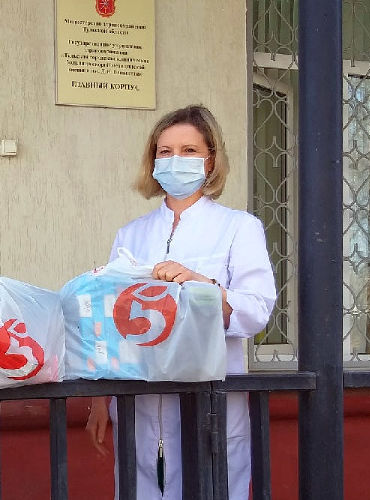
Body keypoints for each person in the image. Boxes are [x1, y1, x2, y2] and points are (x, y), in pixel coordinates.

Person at [85, 105, 277, 499]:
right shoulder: (131, 235)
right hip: (138, 403)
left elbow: (256, 310)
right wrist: (100, 401)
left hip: (208, 402)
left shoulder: (238, 227)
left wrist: (202, 286)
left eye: (189, 151)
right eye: (165, 151)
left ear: (211, 160)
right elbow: (114, 320)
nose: (176, 160)